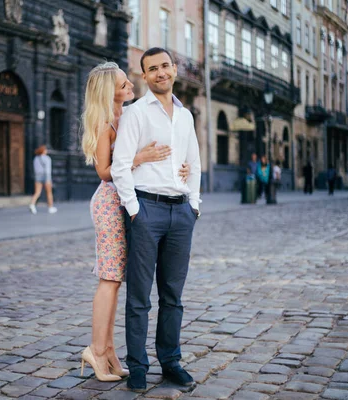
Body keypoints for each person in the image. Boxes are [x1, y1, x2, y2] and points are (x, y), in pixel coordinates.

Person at [80, 62, 191, 382]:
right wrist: (138, 158)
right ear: (108, 92)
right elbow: (104, 171)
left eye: (129, 82)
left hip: (132, 201)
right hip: (110, 202)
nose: (131, 86)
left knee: (119, 281)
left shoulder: (126, 117)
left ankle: (110, 351)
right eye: (123, 84)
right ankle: (97, 352)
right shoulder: (104, 123)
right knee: (110, 279)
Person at [111, 48, 201, 393]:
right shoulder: (135, 114)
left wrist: (194, 205)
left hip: (180, 213)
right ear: (144, 76)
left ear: (174, 69)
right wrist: (134, 211)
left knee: (173, 296)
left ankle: (170, 362)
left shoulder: (186, 116)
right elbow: (121, 166)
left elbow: (193, 163)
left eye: (165, 66)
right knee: (139, 297)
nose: (161, 73)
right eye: (153, 69)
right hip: (146, 211)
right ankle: (137, 367)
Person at [29, 145, 57, 214]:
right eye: (45, 150)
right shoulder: (47, 158)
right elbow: (48, 170)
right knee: (49, 192)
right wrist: (49, 179)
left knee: (37, 192)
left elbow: (35, 169)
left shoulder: (35, 158)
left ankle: (32, 204)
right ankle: (50, 207)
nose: (46, 151)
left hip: (38, 176)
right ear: (43, 151)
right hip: (46, 176)